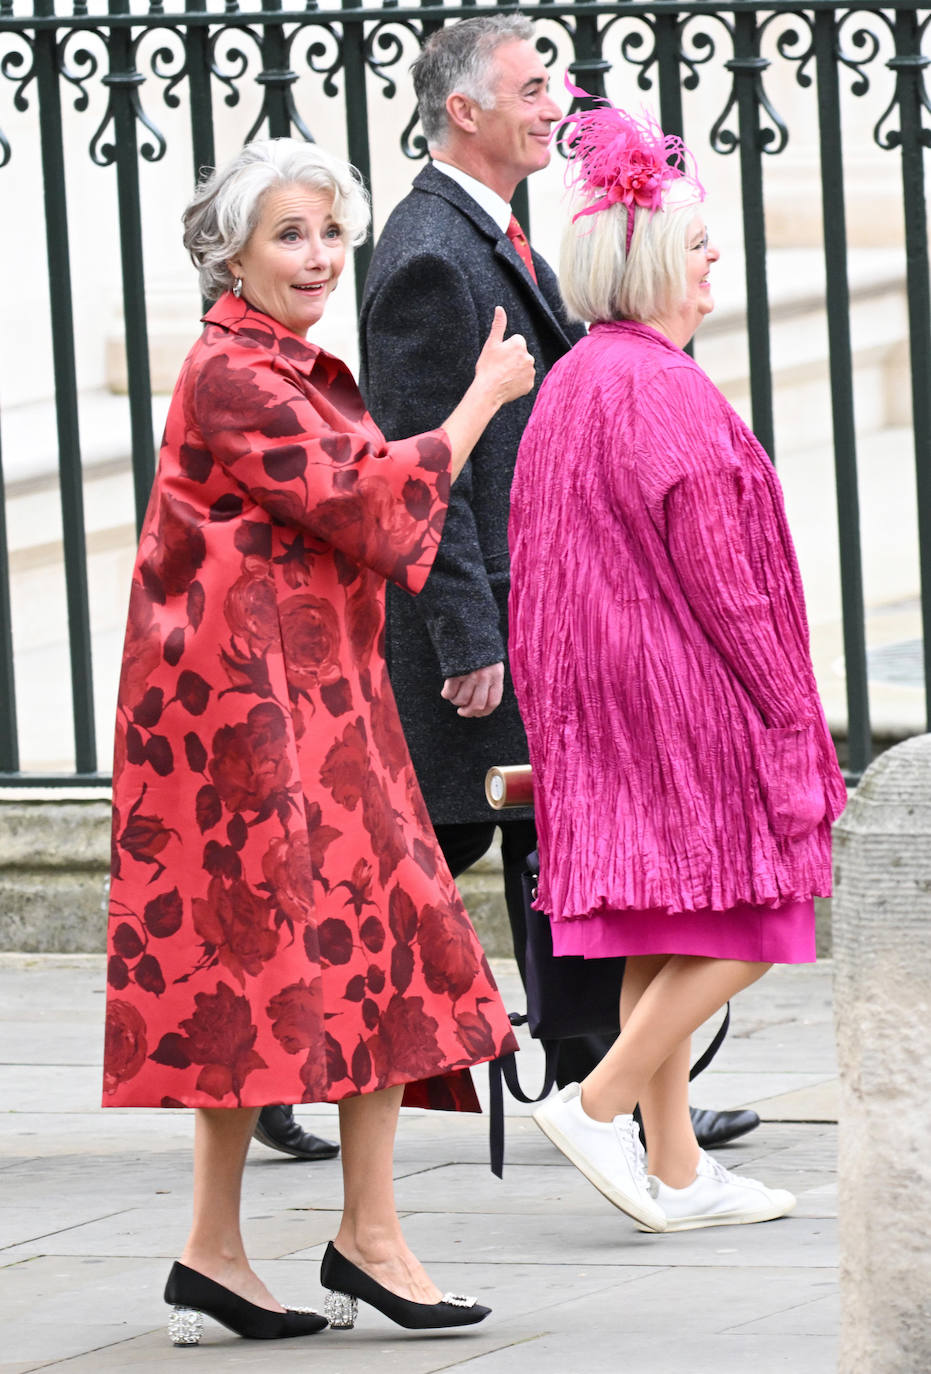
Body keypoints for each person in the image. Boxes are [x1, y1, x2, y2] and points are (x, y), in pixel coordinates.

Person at [102, 136, 535, 1343]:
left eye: (330, 233)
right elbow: (369, 499)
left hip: (308, 714)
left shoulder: (278, 362)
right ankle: (276, 1244)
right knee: (287, 968)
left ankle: (310, 1241)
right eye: (291, 235)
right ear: (229, 251)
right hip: (246, 735)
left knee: (372, 952)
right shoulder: (239, 372)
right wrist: (478, 404)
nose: (320, 256)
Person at [359, 14, 756, 1149]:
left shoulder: (485, 233)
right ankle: (582, 1085)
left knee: (558, 850)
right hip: (486, 630)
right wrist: (468, 639)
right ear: (462, 111)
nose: (557, 106)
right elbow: (423, 459)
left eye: (557, 86)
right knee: (433, 872)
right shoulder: (431, 254)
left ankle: (607, 1082)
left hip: (530, 613)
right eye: (532, 88)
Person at [509, 91, 847, 1232]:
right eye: (697, 248)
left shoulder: (577, 380)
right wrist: (790, 716)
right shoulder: (663, 391)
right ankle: (599, 1105)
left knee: (664, 922)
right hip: (682, 698)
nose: (713, 269)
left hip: (601, 702)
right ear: (650, 259)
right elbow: (729, 582)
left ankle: (680, 1168)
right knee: (758, 916)